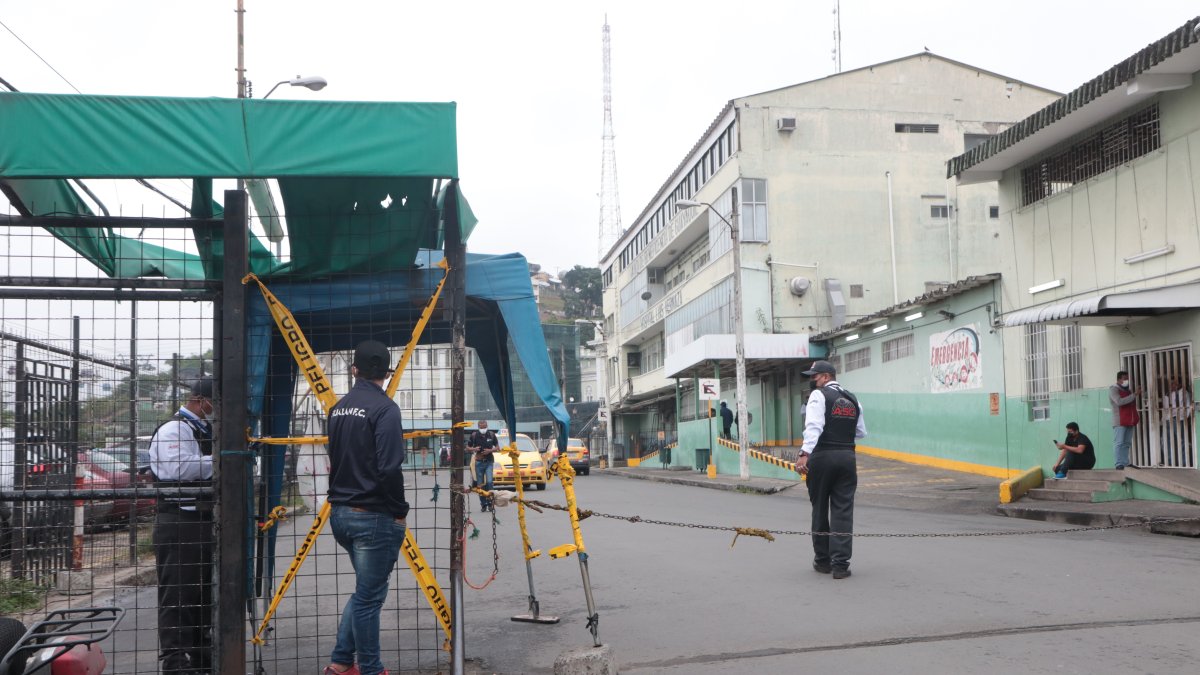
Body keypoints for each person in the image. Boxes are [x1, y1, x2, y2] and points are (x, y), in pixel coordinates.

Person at [324, 340, 408, 675]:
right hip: (373, 514)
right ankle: (371, 669)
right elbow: (389, 467)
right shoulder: (386, 409)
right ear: (387, 373)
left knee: (364, 594)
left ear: (354, 369)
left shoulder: (338, 408)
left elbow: (336, 458)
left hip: (340, 512)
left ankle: (341, 663)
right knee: (370, 599)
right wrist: (399, 508)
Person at [149, 377, 215, 675]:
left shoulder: (202, 429)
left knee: (200, 596)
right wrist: (222, 459)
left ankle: (201, 659)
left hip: (200, 520)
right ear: (202, 400)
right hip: (178, 521)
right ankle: (175, 664)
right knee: (177, 595)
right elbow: (180, 468)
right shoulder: (173, 429)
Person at [795, 360, 866, 580]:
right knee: (843, 510)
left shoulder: (819, 396)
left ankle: (823, 561)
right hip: (847, 457)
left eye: (814, 377)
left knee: (819, 508)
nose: (812, 381)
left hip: (822, 456)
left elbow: (814, 426)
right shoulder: (853, 399)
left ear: (826, 376)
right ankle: (841, 565)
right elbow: (861, 432)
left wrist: (804, 453)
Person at [1109, 371, 1141, 469]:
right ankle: (1119, 464)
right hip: (1120, 421)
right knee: (1119, 442)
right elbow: (1119, 402)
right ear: (1119, 379)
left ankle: (1125, 462)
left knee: (1127, 443)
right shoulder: (1113, 389)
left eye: (1127, 378)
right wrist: (1134, 395)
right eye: (1124, 378)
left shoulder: (1128, 390)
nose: (1126, 380)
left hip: (1129, 420)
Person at [1159, 377, 1193, 465]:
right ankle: (1169, 461)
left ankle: (1185, 462)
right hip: (1167, 419)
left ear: (1180, 384)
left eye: (1174, 383)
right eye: (1171, 383)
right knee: (1164, 441)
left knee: (1181, 441)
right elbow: (1165, 408)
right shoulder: (1167, 394)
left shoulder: (1184, 393)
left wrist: (1183, 418)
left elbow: (1188, 407)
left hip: (1178, 419)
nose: (1172, 385)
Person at [468, 420, 499, 511]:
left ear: (487, 426)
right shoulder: (474, 435)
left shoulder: (491, 435)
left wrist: (490, 450)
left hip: (489, 461)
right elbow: (467, 448)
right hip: (479, 462)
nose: (483, 429)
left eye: (484, 427)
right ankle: (483, 504)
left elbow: (497, 447)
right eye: (481, 427)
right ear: (478, 427)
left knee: (489, 482)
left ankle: (490, 503)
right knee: (480, 484)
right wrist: (474, 448)